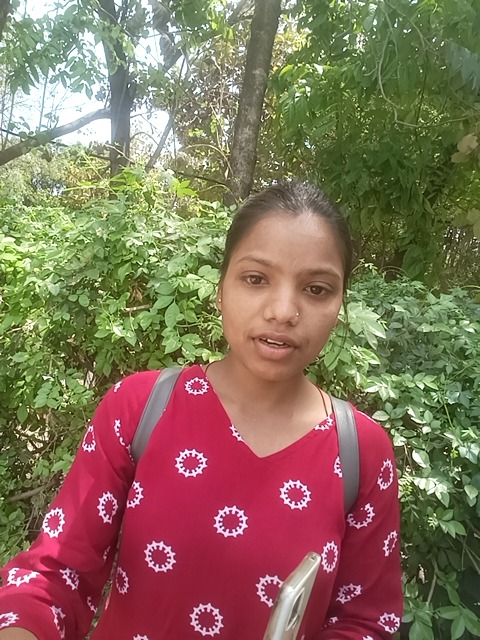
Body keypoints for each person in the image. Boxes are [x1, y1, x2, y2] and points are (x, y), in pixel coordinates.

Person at [0, 182, 403, 639]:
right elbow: (56, 574)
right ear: (221, 289)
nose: (283, 311)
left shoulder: (360, 451)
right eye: (256, 279)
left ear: (339, 304)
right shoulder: (140, 408)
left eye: (316, 289)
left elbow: (365, 621)